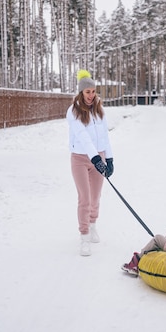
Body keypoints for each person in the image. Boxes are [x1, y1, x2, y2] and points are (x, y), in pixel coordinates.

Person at [66, 69, 114, 256]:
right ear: (81, 92)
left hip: (98, 156)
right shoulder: (73, 112)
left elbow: (105, 137)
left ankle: (93, 225)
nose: (91, 95)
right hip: (80, 158)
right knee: (84, 199)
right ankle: (84, 236)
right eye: (88, 92)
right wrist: (95, 158)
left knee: (95, 197)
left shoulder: (99, 111)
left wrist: (108, 159)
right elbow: (83, 137)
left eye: (93, 91)